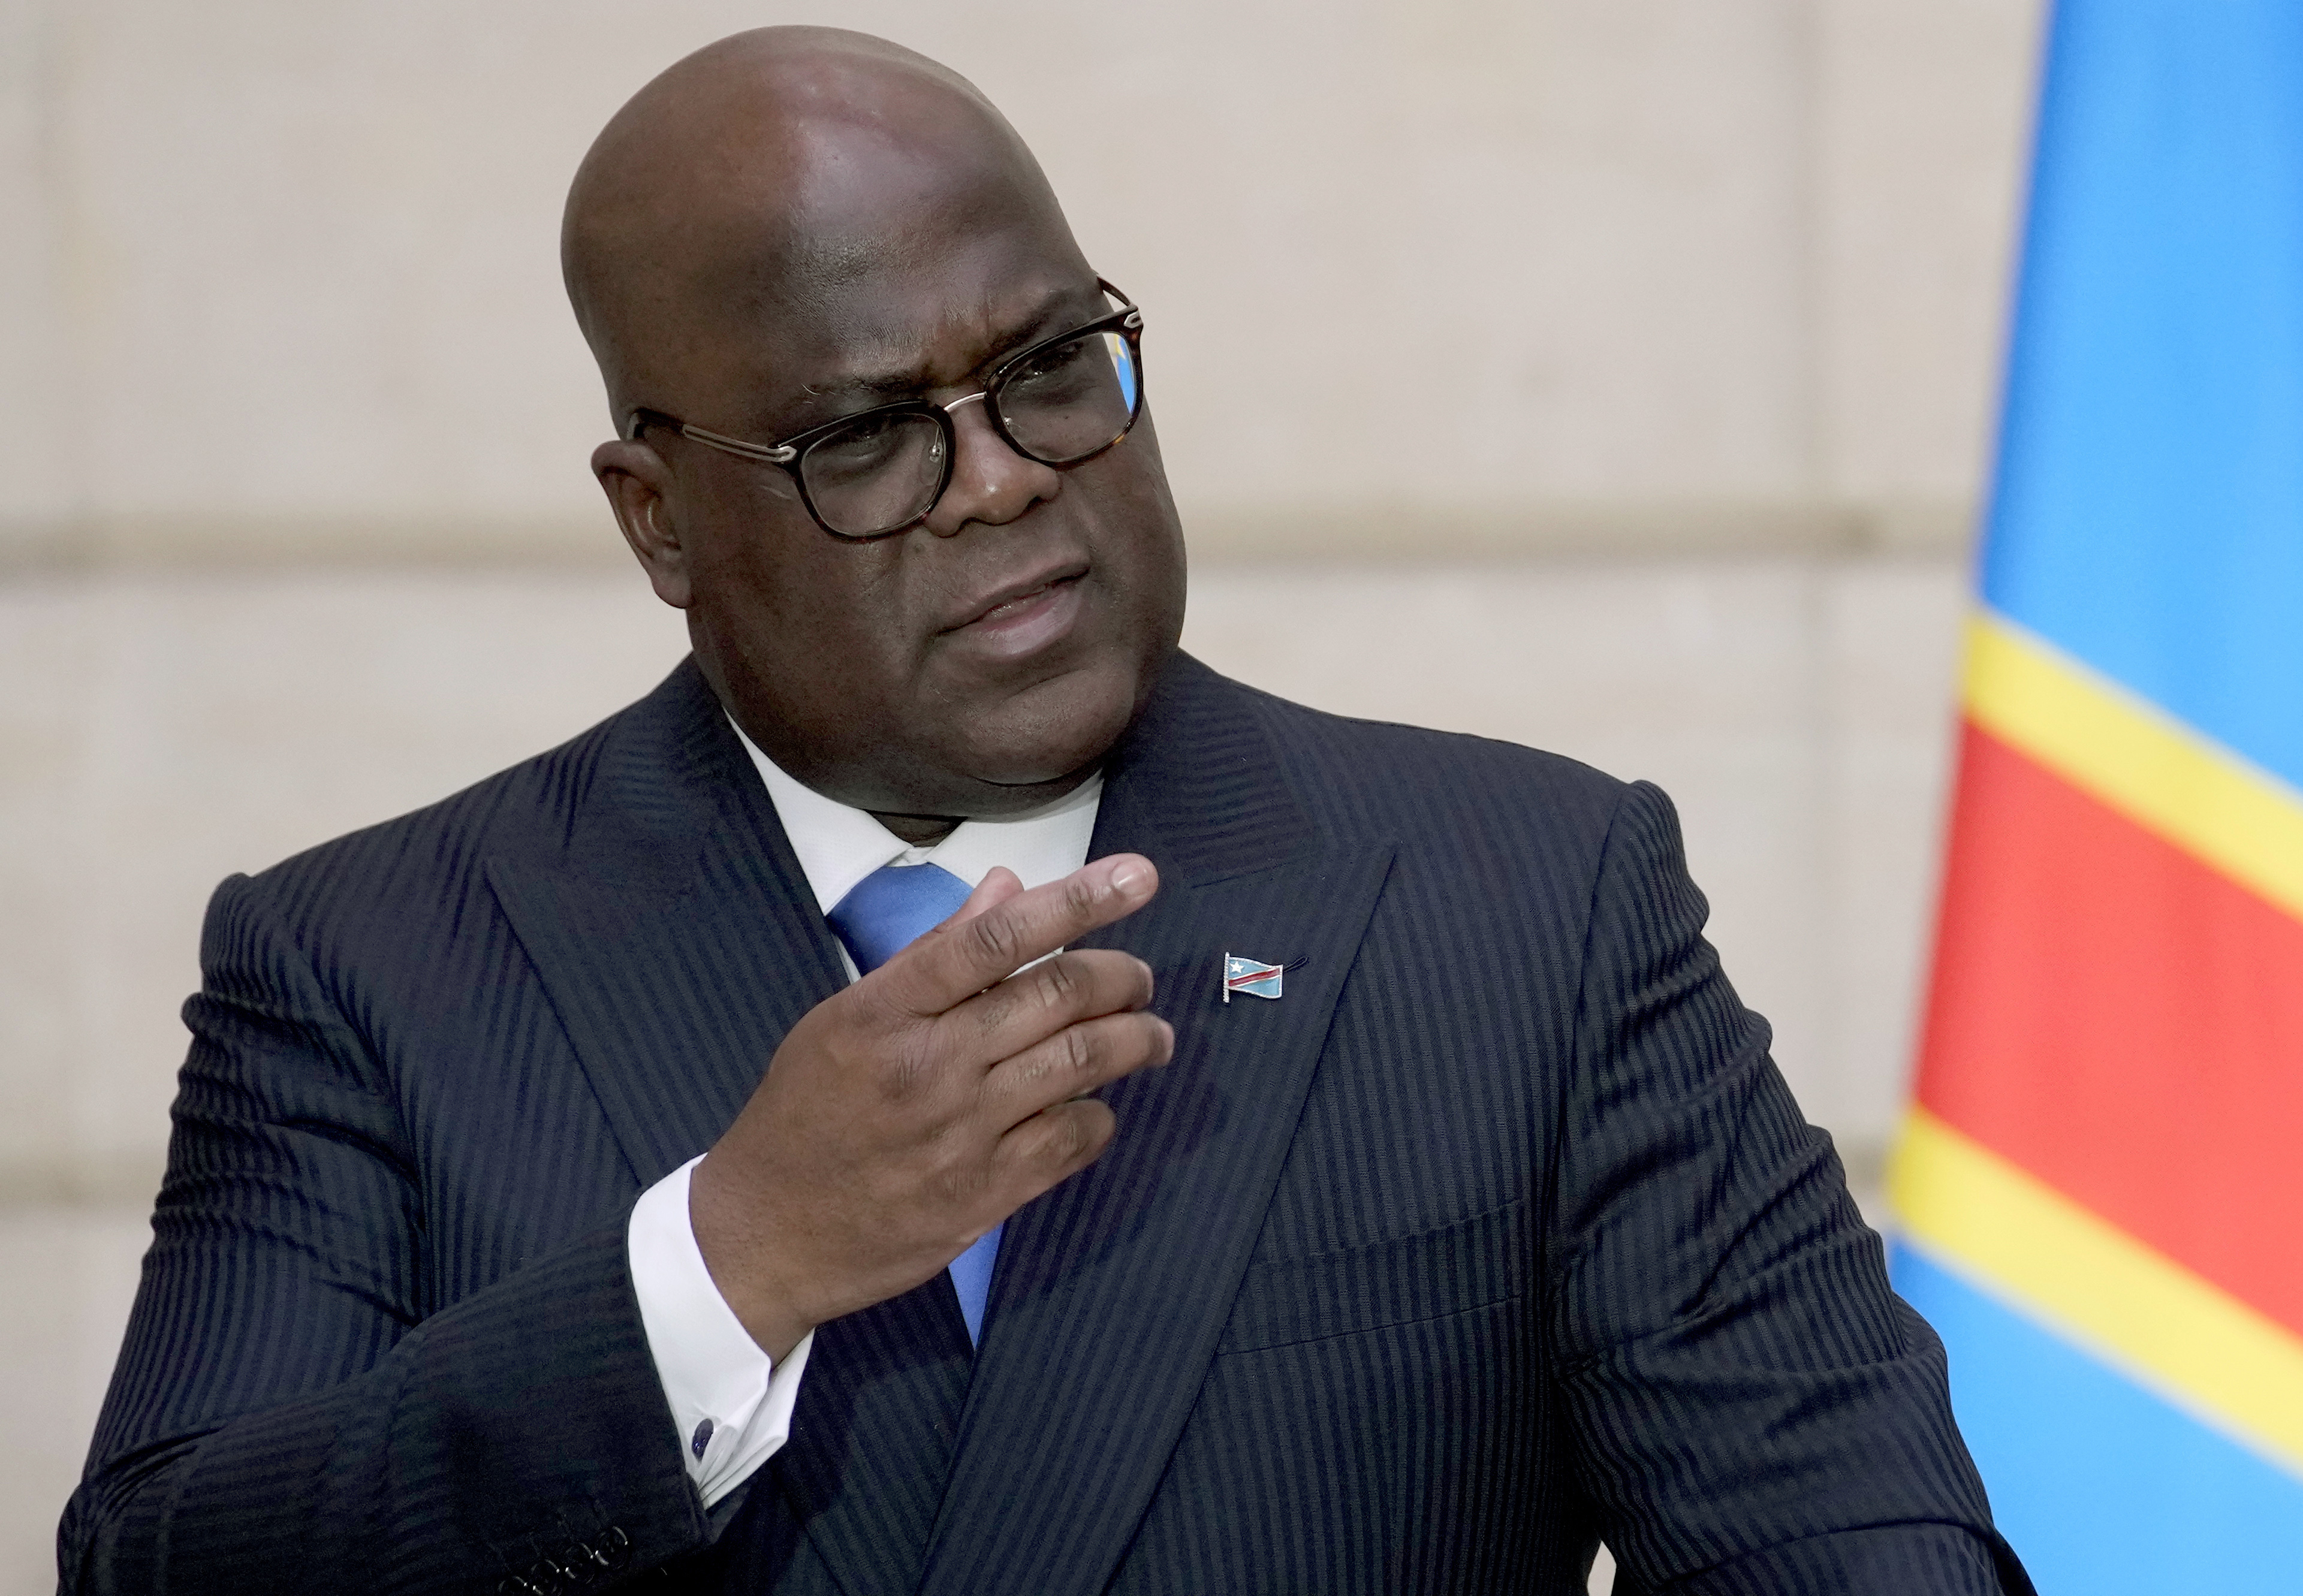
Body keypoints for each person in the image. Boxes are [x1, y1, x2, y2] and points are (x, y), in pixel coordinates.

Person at [61, 26, 2033, 1596]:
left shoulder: (1521, 902)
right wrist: (726, 1265)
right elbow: (162, 1563)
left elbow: (1853, 1547)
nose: (1001, 481)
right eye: (867, 439)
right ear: (659, 519)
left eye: (1050, 372)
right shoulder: (373, 968)